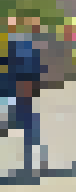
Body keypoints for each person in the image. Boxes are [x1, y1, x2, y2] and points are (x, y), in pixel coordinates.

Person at [8, 16, 46, 177]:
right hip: (23, 90)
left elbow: (29, 69)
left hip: (25, 90)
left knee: (29, 127)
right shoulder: (20, 44)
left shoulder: (24, 45)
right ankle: (32, 163)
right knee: (28, 126)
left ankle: (31, 164)